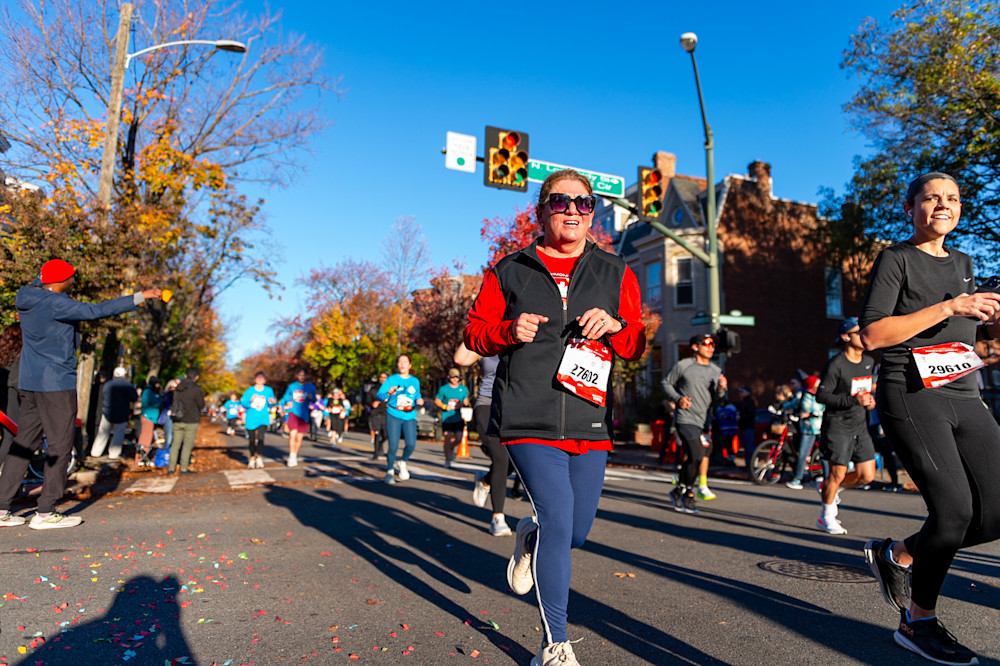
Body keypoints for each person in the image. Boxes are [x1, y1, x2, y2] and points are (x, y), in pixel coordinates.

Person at [464, 169, 645, 666]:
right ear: (541, 211)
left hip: (588, 421)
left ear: (593, 214)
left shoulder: (616, 271)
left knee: (575, 532)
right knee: (560, 518)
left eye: (583, 204)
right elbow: (475, 334)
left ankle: (531, 537)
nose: (571, 210)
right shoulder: (510, 269)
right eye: (560, 202)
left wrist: (615, 325)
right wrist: (507, 330)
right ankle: (555, 643)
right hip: (526, 417)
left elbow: (635, 343)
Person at [858, 172, 1000, 666]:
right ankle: (918, 621)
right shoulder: (896, 259)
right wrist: (952, 304)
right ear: (910, 208)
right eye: (931, 197)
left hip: (964, 392)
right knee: (955, 511)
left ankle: (898, 554)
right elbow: (874, 334)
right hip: (911, 394)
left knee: (997, 511)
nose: (944, 204)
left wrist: (984, 321)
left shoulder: (964, 262)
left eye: (953, 198)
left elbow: (961, 337)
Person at [0, 259, 161, 529]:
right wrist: (139, 297)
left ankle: (2, 507)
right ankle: (45, 511)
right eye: (71, 279)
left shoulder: (26, 298)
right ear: (58, 282)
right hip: (56, 384)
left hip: (29, 381)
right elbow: (96, 310)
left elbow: (44, 285)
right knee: (61, 445)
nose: (73, 283)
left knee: (23, 443)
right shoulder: (56, 303)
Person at [814, 317, 877, 535]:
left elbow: (867, 389)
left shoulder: (869, 362)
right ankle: (827, 517)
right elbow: (821, 396)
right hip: (837, 426)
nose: (864, 334)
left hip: (860, 426)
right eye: (859, 331)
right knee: (837, 473)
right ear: (846, 337)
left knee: (867, 475)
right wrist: (853, 401)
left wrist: (869, 400)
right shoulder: (836, 364)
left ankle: (830, 488)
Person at [662, 333, 728, 512]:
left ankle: (678, 490)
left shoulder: (715, 370)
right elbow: (666, 383)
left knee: (696, 456)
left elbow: (719, 401)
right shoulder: (684, 365)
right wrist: (678, 398)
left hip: (704, 421)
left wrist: (721, 389)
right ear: (695, 347)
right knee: (697, 454)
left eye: (713, 344)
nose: (711, 347)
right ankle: (688, 494)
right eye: (706, 343)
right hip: (686, 418)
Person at [454, 343, 513, 536]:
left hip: (511, 409)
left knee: (514, 461)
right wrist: (478, 324)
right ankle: (498, 517)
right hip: (486, 406)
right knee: (501, 459)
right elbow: (460, 359)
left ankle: (486, 481)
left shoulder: (519, 339)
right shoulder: (488, 342)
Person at [378, 354, 424, 484]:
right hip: (394, 414)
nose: (402, 364)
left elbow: (417, 394)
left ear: (409, 365)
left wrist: (419, 399)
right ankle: (390, 471)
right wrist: (388, 393)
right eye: (400, 362)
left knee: (411, 444)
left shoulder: (415, 381)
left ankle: (402, 462)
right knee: (393, 446)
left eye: (405, 362)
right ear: (397, 365)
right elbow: (380, 395)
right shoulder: (391, 380)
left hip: (409, 415)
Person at [89, 366, 138, 460]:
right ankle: (113, 454)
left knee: (102, 433)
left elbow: (103, 395)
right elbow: (134, 397)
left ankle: (95, 452)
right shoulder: (127, 385)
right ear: (124, 375)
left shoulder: (108, 384)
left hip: (107, 411)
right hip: (122, 413)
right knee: (118, 434)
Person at [786, 375, 825, 489]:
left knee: (824, 454)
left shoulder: (822, 394)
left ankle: (827, 477)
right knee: (802, 454)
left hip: (820, 427)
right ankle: (798, 478)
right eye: (816, 384)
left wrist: (811, 413)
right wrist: (781, 407)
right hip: (806, 429)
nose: (818, 386)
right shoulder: (803, 394)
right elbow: (793, 404)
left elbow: (824, 408)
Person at [167, 367, 205, 474]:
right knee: (187, 445)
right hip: (191, 419)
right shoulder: (196, 389)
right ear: (196, 377)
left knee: (175, 444)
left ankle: (171, 468)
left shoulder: (178, 387)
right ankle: (183, 468)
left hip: (177, 418)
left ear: (186, 375)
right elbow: (201, 404)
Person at [434, 368, 470, 468]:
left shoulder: (463, 389)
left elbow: (466, 401)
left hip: (458, 417)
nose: (455, 379)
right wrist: (445, 406)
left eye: (457, 377)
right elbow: (437, 401)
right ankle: (447, 459)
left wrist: (461, 404)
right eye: (453, 377)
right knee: (447, 436)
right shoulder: (444, 389)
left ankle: (451, 448)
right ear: (448, 377)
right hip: (447, 418)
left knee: (458, 438)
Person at [280, 369, 317, 467]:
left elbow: (314, 399)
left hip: (304, 414)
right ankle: (291, 455)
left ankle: (295, 454)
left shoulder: (311, 386)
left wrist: (311, 398)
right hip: (293, 413)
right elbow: (285, 397)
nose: (302, 377)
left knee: (299, 438)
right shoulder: (292, 386)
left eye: (304, 375)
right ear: (297, 376)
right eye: (300, 375)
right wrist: (288, 401)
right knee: (292, 435)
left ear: (306, 376)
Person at [241, 372, 276, 469]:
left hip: (263, 418)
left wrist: (273, 402)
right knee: (252, 440)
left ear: (264, 380)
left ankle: (259, 457)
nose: (260, 380)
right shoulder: (249, 391)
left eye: (262, 378)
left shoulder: (268, 390)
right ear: (255, 379)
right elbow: (244, 403)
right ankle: (252, 457)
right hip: (251, 418)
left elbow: (271, 403)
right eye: (258, 378)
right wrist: (250, 401)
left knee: (261, 438)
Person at [0, 323, 23, 468]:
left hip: (1, 395)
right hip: (11, 397)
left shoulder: (2, 354)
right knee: (10, 438)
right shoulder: (20, 357)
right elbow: (17, 382)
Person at [136, 376, 164, 467]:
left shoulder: (148, 391)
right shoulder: (149, 392)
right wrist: (161, 397)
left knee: (146, 437)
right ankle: (141, 457)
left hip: (150, 417)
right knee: (146, 438)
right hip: (149, 417)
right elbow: (156, 402)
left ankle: (142, 456)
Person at [366, 372, 389, 459]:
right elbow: (367, 400)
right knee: (377, 434)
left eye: (385, 377)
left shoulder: (390, 389)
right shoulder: (374, 389)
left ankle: (380, 444)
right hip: (375, 414)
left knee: (386, 434)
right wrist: (372, 403)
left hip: (386, 414)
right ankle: (375, 454)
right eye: (381, 377)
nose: (383, 379)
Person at [737, 386, 757, 470]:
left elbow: (751, 414)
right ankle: (748, 464)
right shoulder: (744, 402)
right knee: (746, 446)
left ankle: (751, 465)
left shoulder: (750, 402)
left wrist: (741, 417)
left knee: (749, 447)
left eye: (742, 392)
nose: (740, 394)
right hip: (744, 427)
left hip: (748, 427)